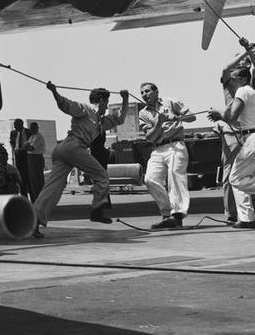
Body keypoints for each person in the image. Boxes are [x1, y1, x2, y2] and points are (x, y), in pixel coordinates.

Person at [33, 84, 129, 238]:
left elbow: (120, 119)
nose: (106, 107)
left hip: (64, 150)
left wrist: (125, 100)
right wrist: (54, 92)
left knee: (53, 189)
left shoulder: (101, 122)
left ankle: (33, 220)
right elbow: (65, 105)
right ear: (101, 101)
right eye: (106, 103)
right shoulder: (85, 109)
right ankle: (97, 211)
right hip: (73, 147)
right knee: (102, 176)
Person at [138, 82, 196, 230]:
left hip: (175, 145)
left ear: (156, 92)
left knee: (175, 176)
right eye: (142, 93)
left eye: (147, 91)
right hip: (158, 148)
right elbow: (150, 137)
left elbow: (192, 117)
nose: (144, 95)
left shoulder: (170, 102)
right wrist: (159, 122)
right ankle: (167, 213)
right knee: (150, 179)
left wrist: (177, 117)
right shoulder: (143, 113)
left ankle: (177, 215)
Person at [216, 65, 255, 227]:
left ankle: (247, 219)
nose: (231, 82)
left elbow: (232, 118)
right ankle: (247, 218)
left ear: (243, 79)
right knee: (244, 176)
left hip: (251, 138)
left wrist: (219, 115)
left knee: (235, 178)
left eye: (234, 79)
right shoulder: (252, 91)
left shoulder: (242, 91)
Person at [23, 121, 46, 200]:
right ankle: (36, 198)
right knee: (33, 180)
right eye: (31, 128)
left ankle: (41, 198)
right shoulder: (32, 136)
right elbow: (24, 145)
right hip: (31, 158)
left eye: (33, 128)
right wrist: (26, 146)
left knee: (38, 180)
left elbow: (31, 148)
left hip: (36, 158)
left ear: (37, 128)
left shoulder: (38, 137)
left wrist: (26, 146)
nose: (32, 129)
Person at [10, 119, 31, 200]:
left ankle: (33, 198)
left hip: (27, 155)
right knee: (21, 178)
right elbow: (12, 142)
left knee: (28, 177)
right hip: (18, 155)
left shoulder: (28, 132)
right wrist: (14, 150)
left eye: (16, 125)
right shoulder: (13, 132)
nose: (15, 127)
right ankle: (24, 198)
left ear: (21, 124)